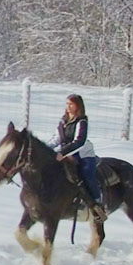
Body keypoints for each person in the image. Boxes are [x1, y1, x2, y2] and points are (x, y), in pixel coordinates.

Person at [46, 93, 106, 222]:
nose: (68, 107)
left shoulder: (82, 121)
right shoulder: (63, 121)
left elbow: (79, 141)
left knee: (87, 174)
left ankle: (97, 202)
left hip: (83, 155)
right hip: (66, 154)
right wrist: (46, 149)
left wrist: (62, 153)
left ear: (78, 106)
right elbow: (56, 139)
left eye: (71, 104)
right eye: (67, 104)